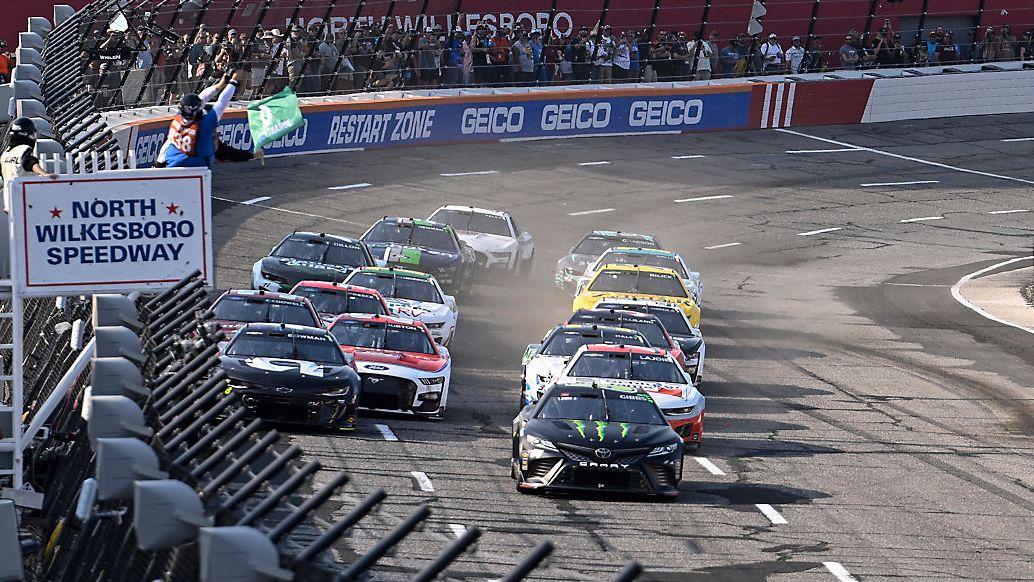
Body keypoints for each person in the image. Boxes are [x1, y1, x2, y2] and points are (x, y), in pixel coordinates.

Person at [161, 70, 243, 168]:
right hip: (193, 165)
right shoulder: (202, 126)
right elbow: (221, 102)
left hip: (170, 160)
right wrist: (233, 81)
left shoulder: (177, 120)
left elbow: (204, 96)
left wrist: (221, 84)